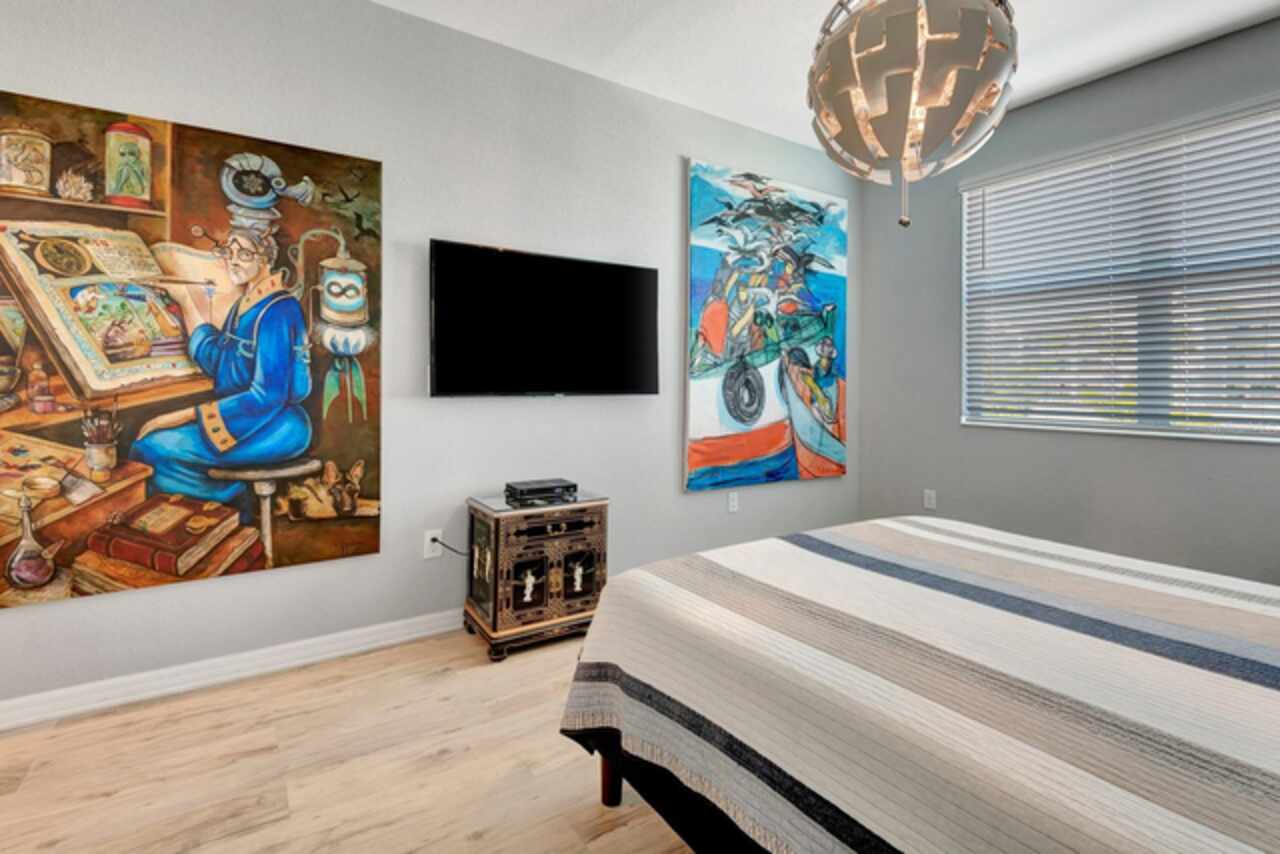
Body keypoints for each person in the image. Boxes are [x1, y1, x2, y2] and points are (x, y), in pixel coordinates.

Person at [130, 226, 312, 517]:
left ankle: (230, 515)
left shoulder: (278, 310)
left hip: (275, 424)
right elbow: (217, 358)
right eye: (229, 251)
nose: (233, 261)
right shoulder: (246, 304)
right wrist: (185, 299)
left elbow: (266, 396)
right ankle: (226, 510)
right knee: (150, 447)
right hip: (244, 418)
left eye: (244, 254)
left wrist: (180, 416)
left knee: (152, 448)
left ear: (266, 259)